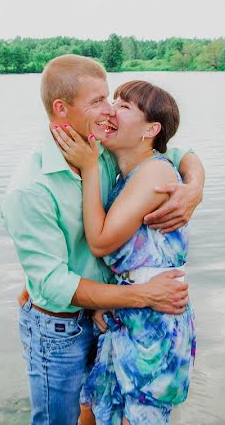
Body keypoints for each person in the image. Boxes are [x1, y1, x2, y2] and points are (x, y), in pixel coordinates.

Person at [1, 55, 205, 425]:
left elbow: (171, 151)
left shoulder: (105, 153)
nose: (109, 110)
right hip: (60, 329)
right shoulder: (30, 189)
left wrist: (195, 187)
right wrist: (141, 296)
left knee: (107, 412)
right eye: (99, 101)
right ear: (62, 109)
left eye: (112, 99)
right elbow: (54, 282)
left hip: (113, 317)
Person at [52, 80, 194, 424]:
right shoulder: (125, 172)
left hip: (154, 320)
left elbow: (101, 241)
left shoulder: (156, 171)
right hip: (126, 312)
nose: (111, 110)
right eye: (112, 101)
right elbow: (187, 154)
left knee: (138, 415)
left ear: (151, 130)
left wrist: (88, 169)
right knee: (95, 409)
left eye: (125, 106)